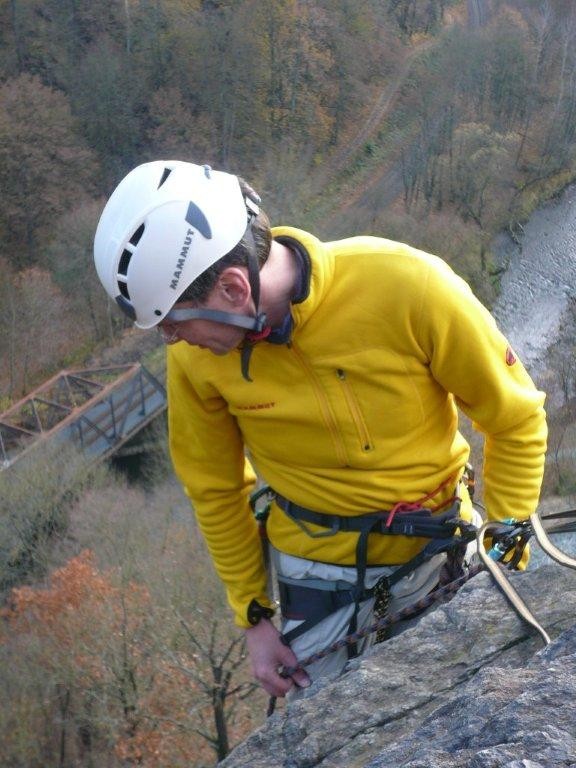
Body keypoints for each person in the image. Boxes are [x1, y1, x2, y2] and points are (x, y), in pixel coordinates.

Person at [93, 160, 547, 698]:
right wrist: (255, 618)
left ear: (234, 288)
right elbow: (214, 489)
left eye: (172, 323)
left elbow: (514, 416)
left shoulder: (408, 287)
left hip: (438, 546)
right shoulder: (197, 361)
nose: (171, 340)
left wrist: (508, 544)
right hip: (315, 573)